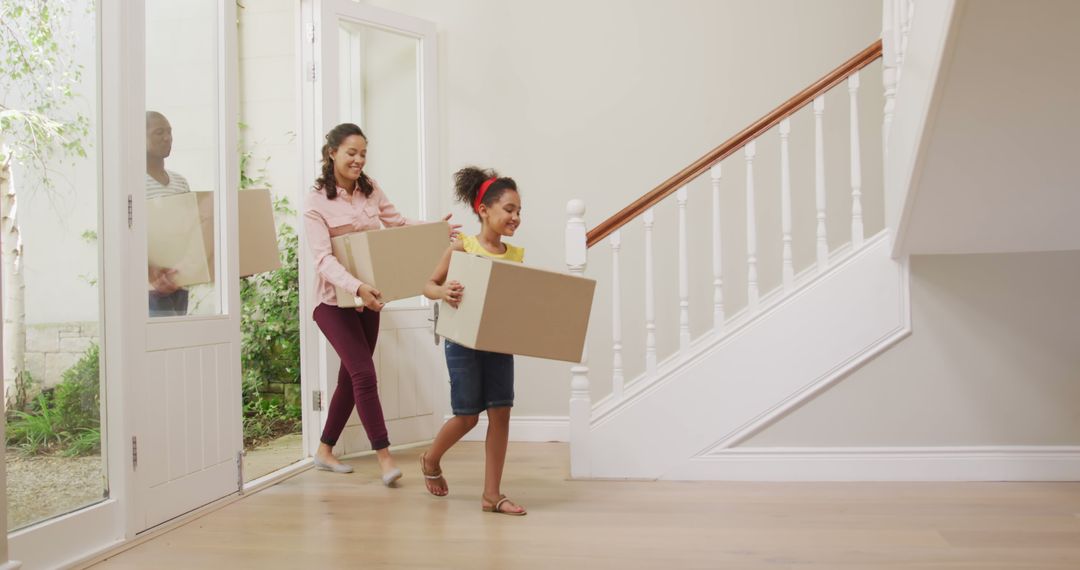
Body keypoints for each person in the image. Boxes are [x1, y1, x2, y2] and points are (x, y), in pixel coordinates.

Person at [303, 122, 458, 485]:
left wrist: (436, 230)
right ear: (332, 153)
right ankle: (385, 458)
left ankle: (325, 450)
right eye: (351, 153)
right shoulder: (315, 202)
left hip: (368, 299)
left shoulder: (369, 190)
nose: (358, 160)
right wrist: (357, 287)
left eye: (363, 154)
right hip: (332, 302)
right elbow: (323, 260)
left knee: (350, 376)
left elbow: (397, 223)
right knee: (363, 374)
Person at [420, 166, 527, 516]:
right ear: (484, 211)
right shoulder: (462, 247)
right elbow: (429, 286)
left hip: (499, 343)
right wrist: (444, 290)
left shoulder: (514, 256)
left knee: (501, 413)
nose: (515, 217)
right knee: (467, 417)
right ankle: (431, 458)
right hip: (463, 343)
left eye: (518, 211)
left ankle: (492, 495)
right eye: (509, 209)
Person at [146, 111, 192, 317]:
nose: (167, 138)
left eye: (169, 132)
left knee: (177, 344)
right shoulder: (133, 183)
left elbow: (191, 230)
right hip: (149, 287)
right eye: (159, 132)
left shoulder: (180, 182)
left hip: (179, 282)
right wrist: (152, 272)